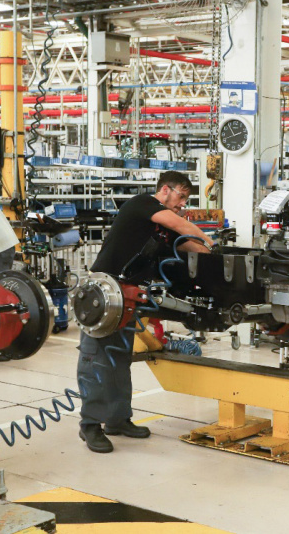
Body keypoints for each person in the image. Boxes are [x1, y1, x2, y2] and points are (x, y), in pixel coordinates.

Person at [78, 171, 216, 454]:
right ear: (164, 190)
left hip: (129, 296)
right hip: (103, 292)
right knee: (96, 361)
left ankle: (118, 419)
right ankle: (90, 425)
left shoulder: (162, 229)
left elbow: (189, 245)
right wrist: (206, 238)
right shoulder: (142, 204)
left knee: (119, 359)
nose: (181, 204)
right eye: (181, 196)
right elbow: (181, 226)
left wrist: (216, 254)